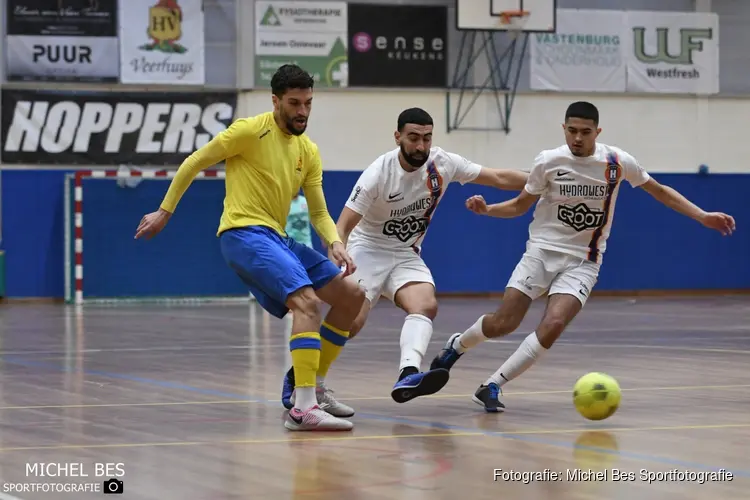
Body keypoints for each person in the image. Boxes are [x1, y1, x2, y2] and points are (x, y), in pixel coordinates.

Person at [429, 101, 737, 412]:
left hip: (584, 259)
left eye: (585, 132)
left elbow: (659, 190)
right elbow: (520, 205)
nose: (578, 138)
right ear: (564, 129)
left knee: (554, 323)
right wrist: (488, 210)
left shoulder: (617, 162)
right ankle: (457, 345)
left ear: (597, 132)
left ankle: (493, 384)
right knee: (504, 323)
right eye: (572, 131)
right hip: (541, 252)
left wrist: (702, 215)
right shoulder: (549, 161)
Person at [134, 64, 365, 431]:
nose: (302, 111)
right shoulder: (249, 131)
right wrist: (165, 211)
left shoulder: (308, 150)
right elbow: (195, 161)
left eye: (308, 103)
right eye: (294, 103)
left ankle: (312, 387)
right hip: (243, 234)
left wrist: (335, 242)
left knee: (352, 296)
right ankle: (303, 409)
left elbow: (319, 211)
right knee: (306, 302)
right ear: (276, 101)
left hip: (278, 237)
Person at [281, 107, 529, 410]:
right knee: (352, 322)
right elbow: (343, 224)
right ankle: (302, 379)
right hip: (367, 250)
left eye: (427, 138)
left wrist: (541, 179)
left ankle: (408, 373)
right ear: (398, 136)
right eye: (413, 138)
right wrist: (337, 249)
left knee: (425, 304)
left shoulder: (443, 163)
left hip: (405, 253)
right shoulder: (378, 173)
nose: (420, 145)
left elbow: (498, 177)